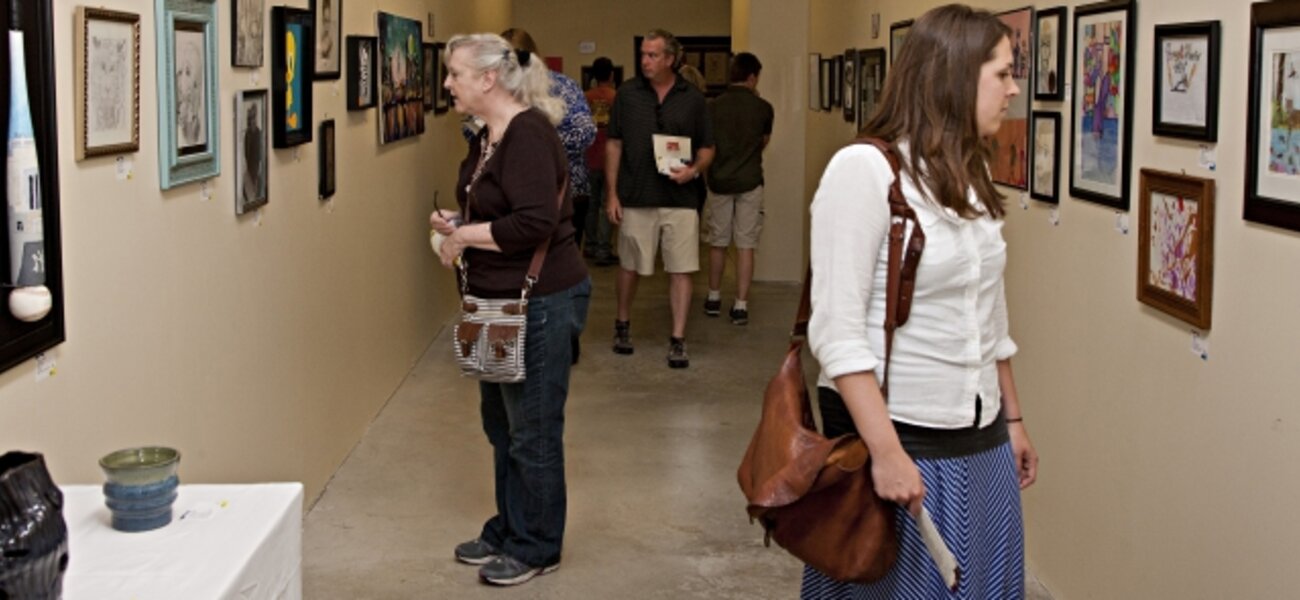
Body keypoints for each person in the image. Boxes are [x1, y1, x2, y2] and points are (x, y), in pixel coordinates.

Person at [803, 5, 1039, 598]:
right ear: (955, 74)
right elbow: (837, 334)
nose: (1014, 90)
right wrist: (884, 453)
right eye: (1003, 75)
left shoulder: (970, 175)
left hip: (982, 442)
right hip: (906, 444)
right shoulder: (864, 171)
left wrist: (1012, 420)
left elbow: (990, 313)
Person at [429, 32, 591, 587]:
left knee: (534, 430)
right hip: (495, 303)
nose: (447, 83)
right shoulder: (487, 135)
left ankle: (538, 545)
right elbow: (496, 203)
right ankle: (510, 526)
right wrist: (459, 221)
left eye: (454, 73)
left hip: (539, 301)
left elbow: (533, 224)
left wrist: (465, 237)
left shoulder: (527, 133)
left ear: (487, 78)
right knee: (501, 425)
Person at [606, 29, 715, 368]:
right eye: (643, 55)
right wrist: (612, 194)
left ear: (671, 59)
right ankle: (622, 324)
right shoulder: (627, 95)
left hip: (680, 198)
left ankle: (678, 338)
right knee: (629, 265)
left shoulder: (693, 99)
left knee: (682, 269)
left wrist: (693, 171)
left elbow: (708, 148)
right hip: (636, 195)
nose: (645, 61)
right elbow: (614, 144)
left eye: (653, 55)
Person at [499, 28, 597, 251]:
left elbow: (585, 133)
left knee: (559, 265)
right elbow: (472, 131)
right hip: (509, 195)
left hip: (565, 193)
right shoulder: (493, 88)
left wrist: (534, 142)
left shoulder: (562, 87)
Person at [702, 52, 773, 326]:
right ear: (752, 77)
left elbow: (708, 144)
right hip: (750, 180)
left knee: (718, 242)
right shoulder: (763, 108)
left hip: (719, 180)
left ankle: (713, 296)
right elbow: (763, 142)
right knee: (746, 245)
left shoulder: (713, 107)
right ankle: (741, 305)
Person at [583, 57, 618, 266]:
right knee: (608, 203)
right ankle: (604, 249)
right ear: (611, 75)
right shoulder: (617, 97)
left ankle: (589, 245)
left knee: (591, 203)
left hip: (588, 156)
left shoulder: (585, 97)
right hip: (609, 159)